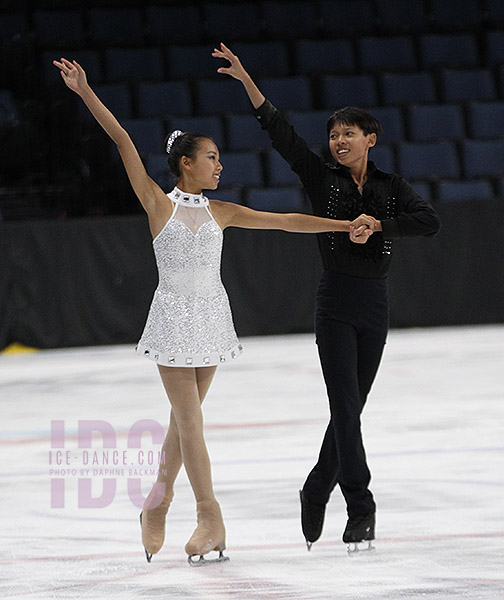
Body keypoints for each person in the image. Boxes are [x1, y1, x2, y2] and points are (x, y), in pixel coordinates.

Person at [53, 57, 377, 565]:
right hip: (173, 319)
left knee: (184, 426)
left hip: (210, 320)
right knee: (191, 424)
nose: (220, 165)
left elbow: (286, 221)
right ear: (187, 163)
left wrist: (341, 227)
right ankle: (210, 518)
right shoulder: (158, 204)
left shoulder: (221, 211)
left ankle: (156, 505)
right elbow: (122, 141)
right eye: (212, 158)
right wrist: (85, 91)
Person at [212, 43, 441, 553]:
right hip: (335, 302)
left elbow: (430, 221)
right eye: (334, 134)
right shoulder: (321, 177)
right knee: (345, 407)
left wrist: (381, 224)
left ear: (370, 140)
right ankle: (360, 507)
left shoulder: (391, 186)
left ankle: (316, 486)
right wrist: (247, 78)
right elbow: (279, 131)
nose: (338, 141)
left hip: (375, 304)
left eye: (348, 134)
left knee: (350, 409)